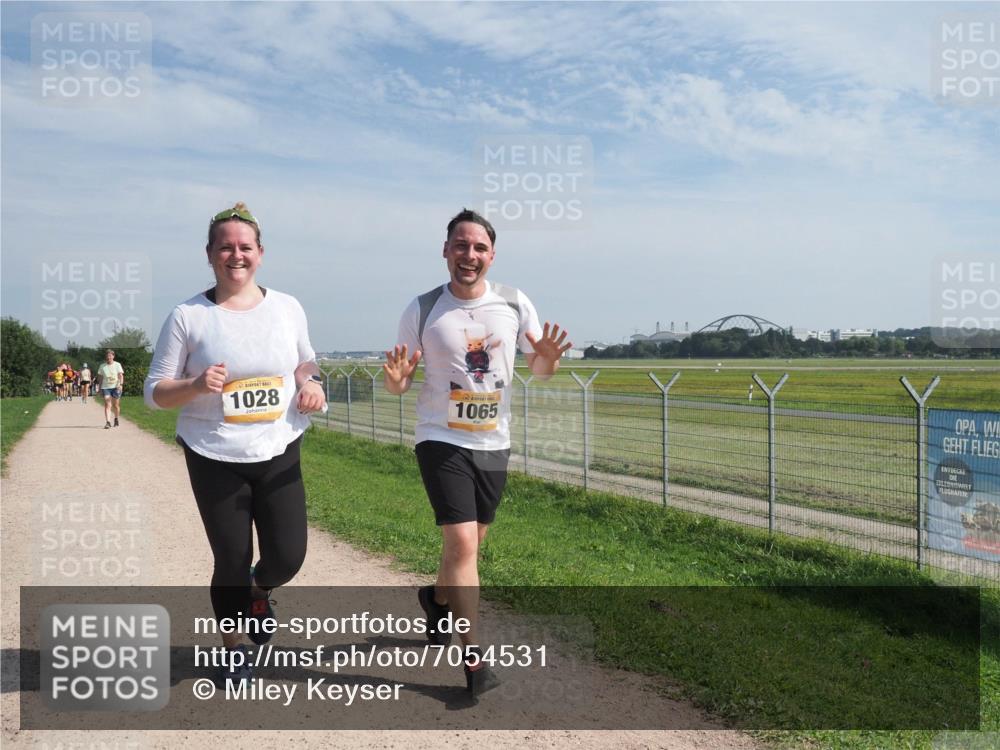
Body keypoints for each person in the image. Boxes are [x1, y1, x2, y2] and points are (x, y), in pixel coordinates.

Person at [384, 208, 571, 697]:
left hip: (494, 440)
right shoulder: (423, 308)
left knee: (467, 546)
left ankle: (437, 598)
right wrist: (396, 381)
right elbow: (400, 379)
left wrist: (547, 361)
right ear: (445, 251)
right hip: (440, 438)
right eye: (460, 246)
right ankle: (474, 662)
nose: (470, 255)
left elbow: (539, 368)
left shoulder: (513, 302)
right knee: (463, 544)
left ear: (492, 254)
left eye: (479, 247)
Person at [144, 202, 325, 686]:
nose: (236, 254)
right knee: (230, 556)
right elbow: (155, 392)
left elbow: (305, 362)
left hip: (279, 444)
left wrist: (313, 383)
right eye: (225, 246)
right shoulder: (188, 315)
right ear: (210, 254)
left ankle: (258, 590)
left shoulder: (287, 307)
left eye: (245, 246)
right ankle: (233, 649)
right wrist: (197, 385)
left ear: (260, 253)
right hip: (213, 451)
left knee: (288, 555)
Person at [97, 350, 124, 428]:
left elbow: (120, 375)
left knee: (116, 405)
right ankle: (108, 422)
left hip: (116, 386)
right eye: (107, 356)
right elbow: (100, 378)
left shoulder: (117, 365)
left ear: (113, 356)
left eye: (110, 356)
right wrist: (99, 388)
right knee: (108, 404)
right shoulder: (102, 366)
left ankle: (116, 418)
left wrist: (121, 385)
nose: (108, 357)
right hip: (106, 387)